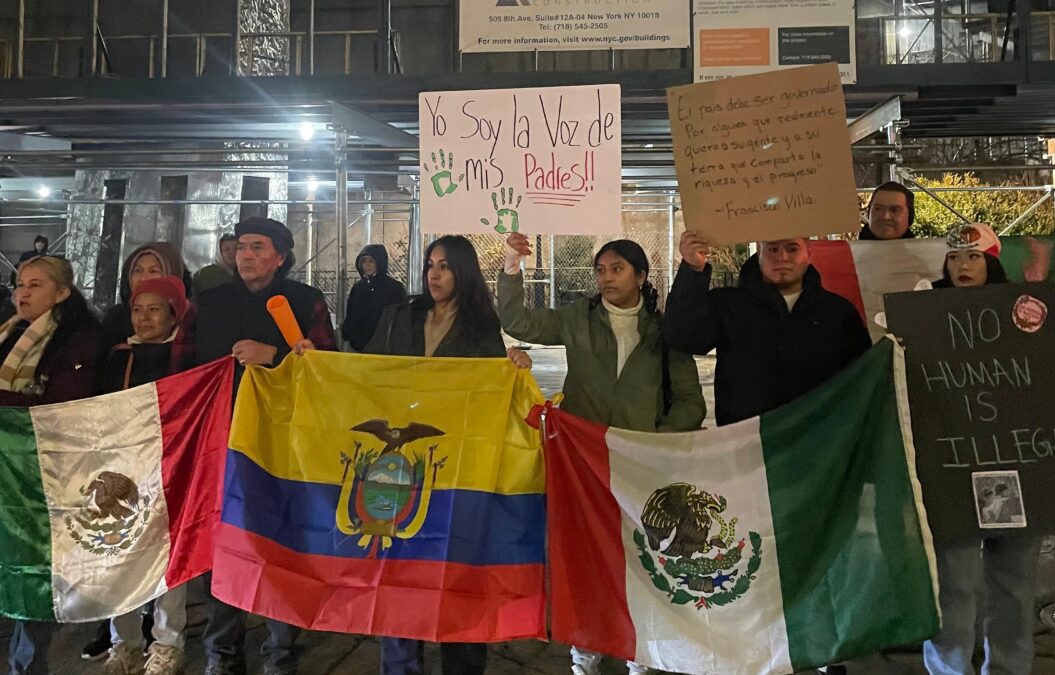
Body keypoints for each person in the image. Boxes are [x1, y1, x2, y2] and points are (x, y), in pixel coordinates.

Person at [499, 233, 706, 675]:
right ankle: (585, 651)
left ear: (641, 276)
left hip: (641, 468)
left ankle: (639, 652)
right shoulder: (577, 318)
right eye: (600, 270)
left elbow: (691, 401)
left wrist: (656, 439)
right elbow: (519, 320)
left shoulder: (665, 332)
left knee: (643, 559)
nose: (606, 277)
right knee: (586, 559)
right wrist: (511, 265)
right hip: (583, 463)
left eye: (617, 269)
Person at [354, 235, 527, 675]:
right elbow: (367, 371)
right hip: (398, 465)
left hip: (454, 467)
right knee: (400, 566)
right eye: (431, 264)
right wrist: (315, 363)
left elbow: (489, 395)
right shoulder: (398, 316)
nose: (434, 273)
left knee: (457, 567)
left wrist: (512, 369)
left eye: (446, 266)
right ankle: (399, 666)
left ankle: (462, 664)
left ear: (463, 272)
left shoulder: (481, 327)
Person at [189, 216, 336, 675]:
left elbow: (328, 367)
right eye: (240, 247)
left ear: (280, 256)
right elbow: (182, 370)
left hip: (281, 445)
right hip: (221, 442)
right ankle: (222, 652)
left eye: (257, 247)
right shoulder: (207, 304)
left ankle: (280, 650)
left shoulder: (305, 302)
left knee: (278, 540)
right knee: (225, 545)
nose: (246, 255)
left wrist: (273, 356)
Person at [921, 222, 1055, 675]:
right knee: (955, 582)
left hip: (1015, 466)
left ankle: (1009, 668)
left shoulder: (1023, 305)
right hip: (956, 469)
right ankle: (948, 668)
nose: (963, 266)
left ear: (991, 261)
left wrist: (1042, 298)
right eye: (955, 257)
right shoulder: (927, 306)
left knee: (1014, 582)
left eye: (974, 257)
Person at [2, 256, 103, 675]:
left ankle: (28, 665)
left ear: (62, 293)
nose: (22, 293)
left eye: (35, 285)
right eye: (19, 284)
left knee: (31, 574)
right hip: (5, 470)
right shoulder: (9, 334)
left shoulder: (80, 340)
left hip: (41, 477)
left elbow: (64, 405)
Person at [666, 232, 870, 426]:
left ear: (809, 253)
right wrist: (693, 272)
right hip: (748, 445)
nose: (782, 257)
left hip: (818, 444)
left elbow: (862, 374)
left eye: (792, 249)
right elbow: (683, 336)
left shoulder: (837, 312)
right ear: (759, 251)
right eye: (772, 249)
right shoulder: (728, 305)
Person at [99, 276, 191, 675]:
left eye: (155, 309)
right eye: (138, 309)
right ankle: (126, 643)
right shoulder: (119, 356)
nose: (144, 317)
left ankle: (167, 642)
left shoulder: (187, 358)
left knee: (169, 559)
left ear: (174, 314)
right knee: (118, 555)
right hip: (121, 469)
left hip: (169, 469)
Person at [101, 242, 192, 351]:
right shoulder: (115, 321)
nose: (143, 279)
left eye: (153, 271)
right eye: (137, 271)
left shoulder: (192, 328)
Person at [342, 244, 407, 351]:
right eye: (364, 261)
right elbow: (351, 314)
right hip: (358, 345)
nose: (367, 265)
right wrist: (348, 333)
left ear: (379, 262)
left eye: (371, 261)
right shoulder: (358, 288)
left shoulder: (394, 288)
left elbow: (400, 318)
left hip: (384, 346)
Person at [193, 232, 238, 297]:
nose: (232, 253)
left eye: (236, 249)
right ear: (219, 252)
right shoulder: (206, 274)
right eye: (227, 249)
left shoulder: (245, 274)